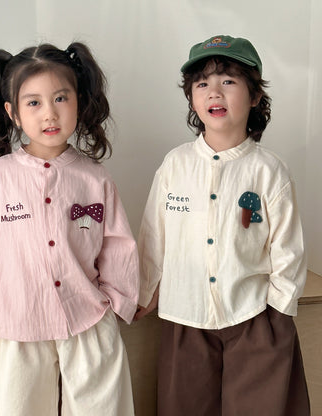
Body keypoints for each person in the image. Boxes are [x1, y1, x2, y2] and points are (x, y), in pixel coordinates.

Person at [0, 42, 139, 416]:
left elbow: (117, 243)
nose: (50, 113)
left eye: (60, 98)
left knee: (103, 407)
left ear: (78, 101)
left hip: (87, 316)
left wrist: (119, 299)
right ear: (13, 113)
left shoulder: (95, 177)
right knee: (15, 407)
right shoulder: (1, 176)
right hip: (17, 317)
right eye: (33, 102)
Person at [135, 35, 310, 415]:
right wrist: (145, 291)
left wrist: (278, 312)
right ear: (192, 99)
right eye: (202, 84)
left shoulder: (269, 171)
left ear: (255, 95)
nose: (214, 91)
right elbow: (153, 236)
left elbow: (288, 249)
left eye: (228, 81)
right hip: (184, 316)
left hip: (254, 318)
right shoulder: (175, 166)